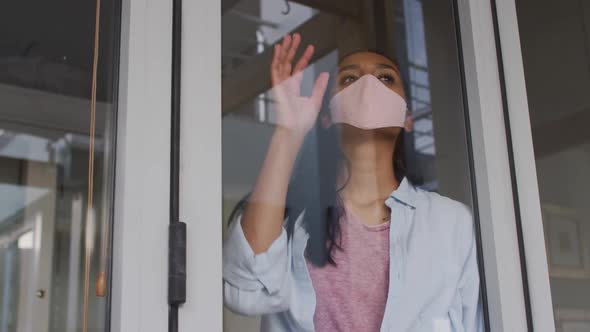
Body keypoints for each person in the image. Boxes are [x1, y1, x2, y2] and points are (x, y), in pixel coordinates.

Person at [223, 33, 483, 332]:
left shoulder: (452, 223)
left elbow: (475, 322)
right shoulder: (292, 217)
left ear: (407, 117)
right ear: (327, 117)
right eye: (349, 80)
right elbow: (247, 293)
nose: (368, 86)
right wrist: (289, 132)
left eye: (385, 78)